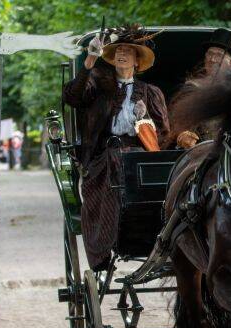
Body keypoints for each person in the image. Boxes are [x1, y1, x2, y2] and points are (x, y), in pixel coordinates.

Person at [62, 23, 170, 271]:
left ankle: (162, 241)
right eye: (118, 50)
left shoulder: (150, 92)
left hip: (138, 155)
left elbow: (164, 134)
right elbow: (72, 97)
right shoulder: (98, 85)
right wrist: (90, 58)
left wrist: (145, 121)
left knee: (149, 178)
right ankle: (102, 249)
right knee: (110, 172)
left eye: (128, 51)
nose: (122, 53)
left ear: (137, 62)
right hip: (104, 156)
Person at [173, 28, 231, 149]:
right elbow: (180, 120)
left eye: (219, 55)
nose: (212, 59)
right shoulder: (192, 88)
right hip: (201, 152)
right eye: (210, 54)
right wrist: (183, 134)